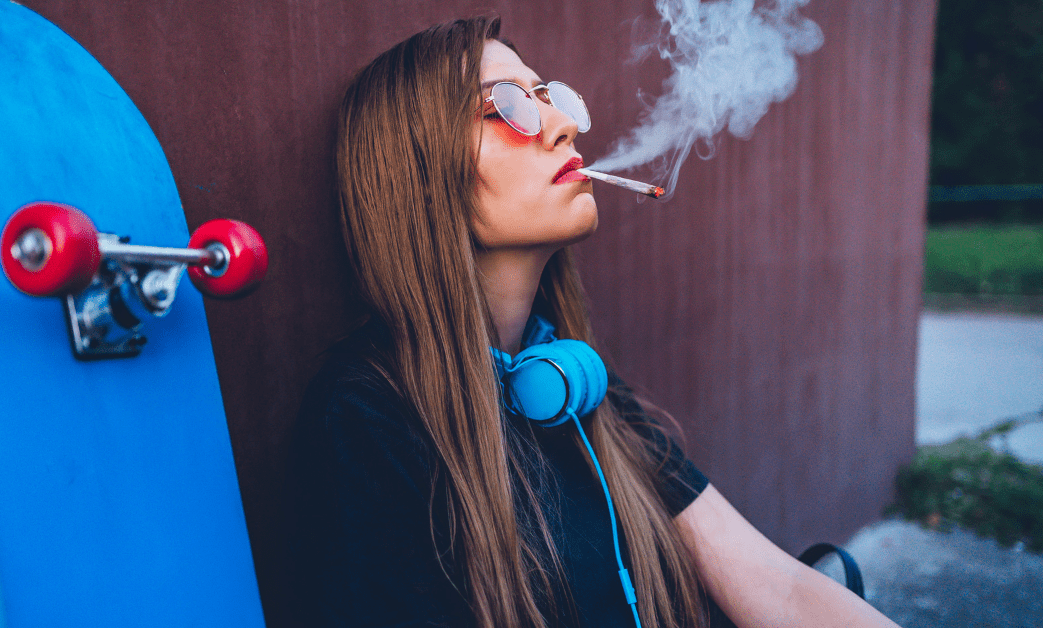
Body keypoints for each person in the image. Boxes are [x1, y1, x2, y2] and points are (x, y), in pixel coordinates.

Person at [286, 15, 900, 628]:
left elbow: (778, 590)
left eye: (547, 96)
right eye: (505, 106)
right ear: (420, 175)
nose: (564, 124)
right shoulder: (367, 420)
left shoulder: (574, 386)